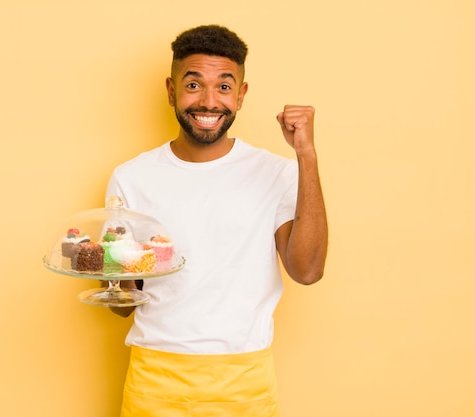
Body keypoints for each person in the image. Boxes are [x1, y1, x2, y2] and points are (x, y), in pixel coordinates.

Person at [105, 24, 328, 417]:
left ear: (241, 96)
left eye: (224, 87)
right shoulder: (132, 177)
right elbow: (121, 305)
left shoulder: (276, 172)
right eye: (193, 85)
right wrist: (112, 261)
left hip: (245, 383)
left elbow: (307, 270)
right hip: (154, 379)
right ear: (172, 91)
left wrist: (306, 156)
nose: (209, 101)